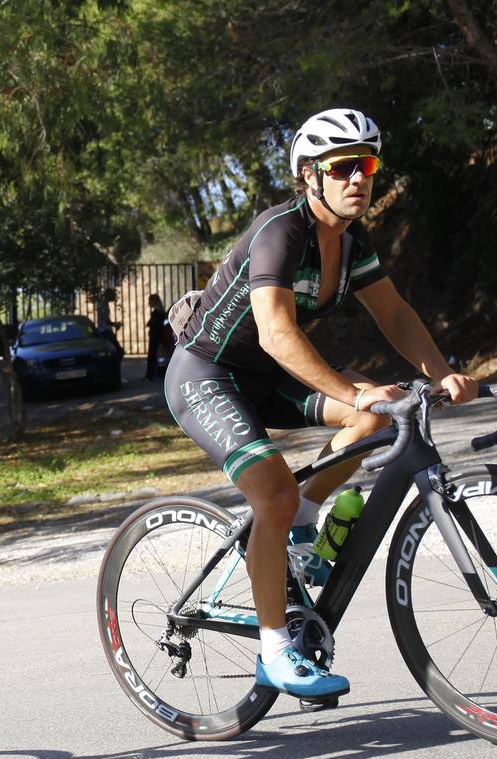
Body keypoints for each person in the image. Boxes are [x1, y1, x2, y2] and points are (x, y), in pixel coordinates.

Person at [164, 109, 477, 701]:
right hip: (208, 375)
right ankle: (275, 651)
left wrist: (443, 373)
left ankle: (303, 518)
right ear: (310, 174)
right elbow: (276, 332)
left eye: (367, 165)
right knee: (275, 493)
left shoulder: (352, 241)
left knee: (376, 416)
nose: (358, 178)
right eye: (342, 167)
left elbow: (394, 313)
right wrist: (352, 389)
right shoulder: (280, 232)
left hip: (268, 377)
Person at [144, 293, 171, 380]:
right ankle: (153, 374)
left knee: (152, 355)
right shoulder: (160, 311)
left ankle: (149, 376)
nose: (148, 303)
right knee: (155, 355)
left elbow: (154, 324)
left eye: (150, 301)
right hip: (158, 336)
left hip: (155, 336)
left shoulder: (156, 312)